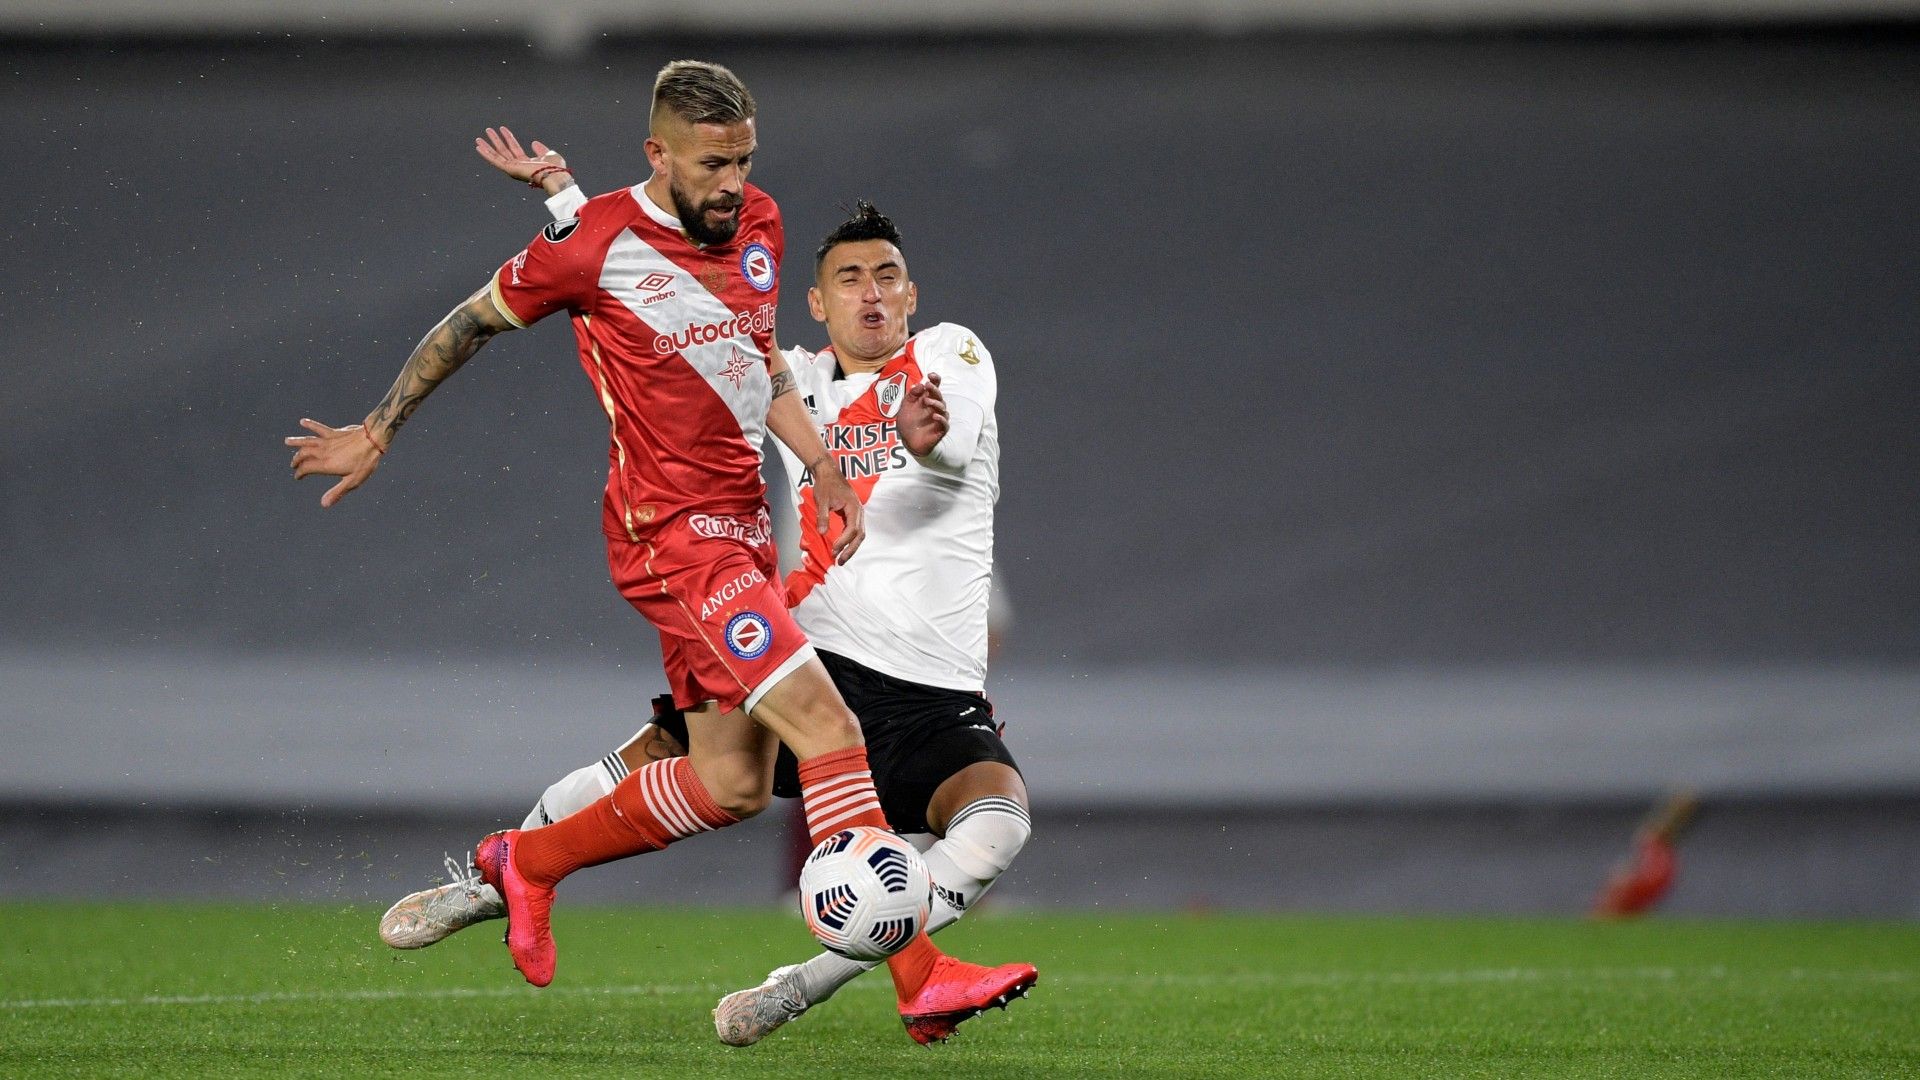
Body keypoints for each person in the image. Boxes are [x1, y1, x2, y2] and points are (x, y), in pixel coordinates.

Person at [285, 61, 1029, 1043]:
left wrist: (826, 472)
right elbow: (470, 322)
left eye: (745, 159)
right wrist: (380, 427)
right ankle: (918, 978)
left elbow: (756, 364)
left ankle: (527, 863)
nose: (733, 182)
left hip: (743, 537)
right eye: (713, 163)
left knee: (728, 783)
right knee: (828, 725)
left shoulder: (758, 227)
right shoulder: (588, 248)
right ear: (659, 154)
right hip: (671, 536)